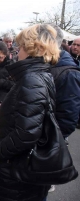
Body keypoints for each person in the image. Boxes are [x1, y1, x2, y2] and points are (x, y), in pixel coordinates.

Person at [0, 24, 60, 201]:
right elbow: (30, 115)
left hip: (18, 170)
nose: (17, 52)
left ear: (33, 49)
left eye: (21, 47)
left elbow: (27, 134)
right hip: (22, 168)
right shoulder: (38, 74)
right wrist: (1, 107)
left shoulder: (32, 79)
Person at [46, 24, 80, 193]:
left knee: (43, 184)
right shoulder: (48, 64)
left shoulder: (69, 73)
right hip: (41, 137)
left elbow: (69, 117)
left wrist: (50, 138)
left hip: (49, 139)